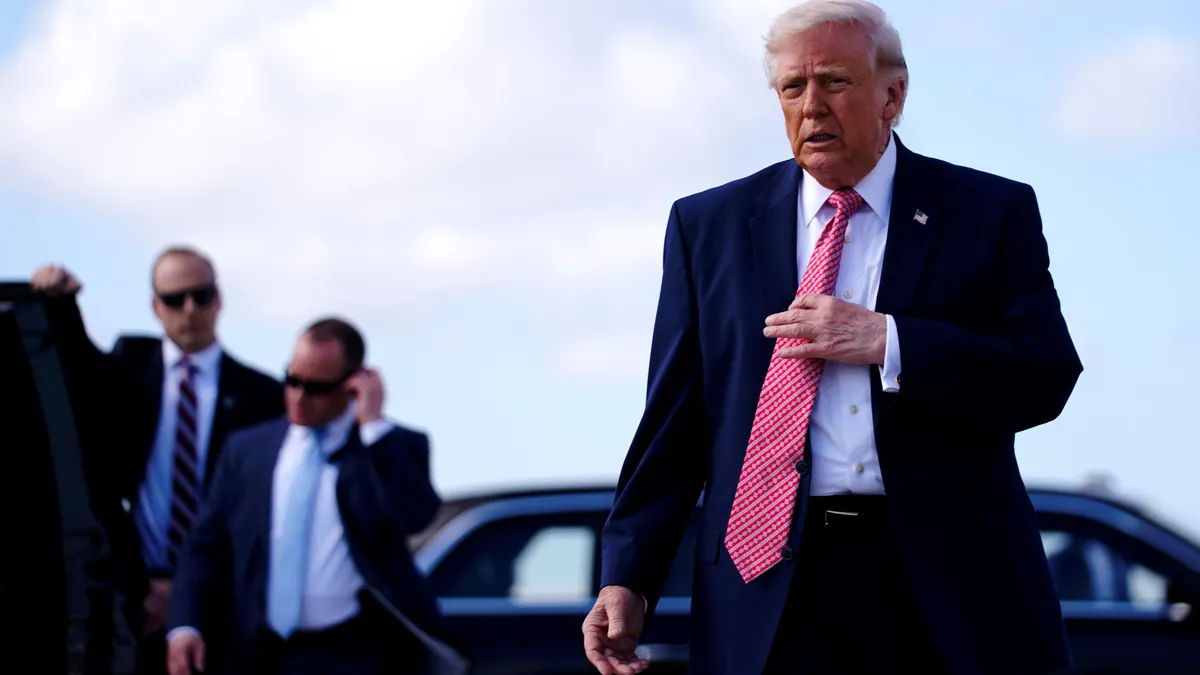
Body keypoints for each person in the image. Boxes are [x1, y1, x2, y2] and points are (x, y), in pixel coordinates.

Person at [582, 2, 1083, 674]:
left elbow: (1045, 374)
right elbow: (673, 424)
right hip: (769, 591)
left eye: (836, 82)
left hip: (947, 587)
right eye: (793, 87)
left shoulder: (989, 213)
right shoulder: (709, 226)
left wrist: (891, 342)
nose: (812, 106)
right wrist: (628, 577)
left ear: (892, 96)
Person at [31, 248, 285, 674]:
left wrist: (188, 595)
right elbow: (76, 370)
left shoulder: (261, 396)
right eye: (175, 299)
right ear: (155, 307)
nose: (190, 310)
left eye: (201, 296)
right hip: (134, 601)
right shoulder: (131, 365)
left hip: (219, 610)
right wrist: (59, 300)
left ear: (219, 299)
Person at [166, 317, 465, 675]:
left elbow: (414, 515)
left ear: (353, 385)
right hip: (256, 652)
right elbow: (205, 545)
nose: (299, 397)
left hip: (354, 653)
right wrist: (185, 626)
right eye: (292, 380)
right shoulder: (247, 450)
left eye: (317, 388)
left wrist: (373, 427)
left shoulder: (389, 446)